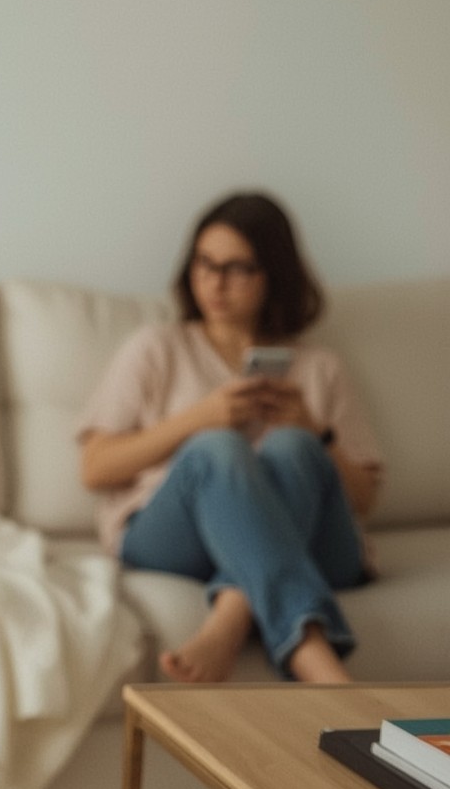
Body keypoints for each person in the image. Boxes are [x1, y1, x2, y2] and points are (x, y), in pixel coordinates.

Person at [77, 191, 383, 685]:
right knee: (218, 448)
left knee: (292, 447)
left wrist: (314, 433)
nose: (215, 283)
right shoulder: (156, 348)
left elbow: (364, 502)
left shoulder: (320, 367)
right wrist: (198, 419)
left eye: (238, 268)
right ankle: (317, 660)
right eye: (205, 263)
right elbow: (94, 467)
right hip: (175, 536)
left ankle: (232, 614)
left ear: (274, 275)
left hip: (317, 540)